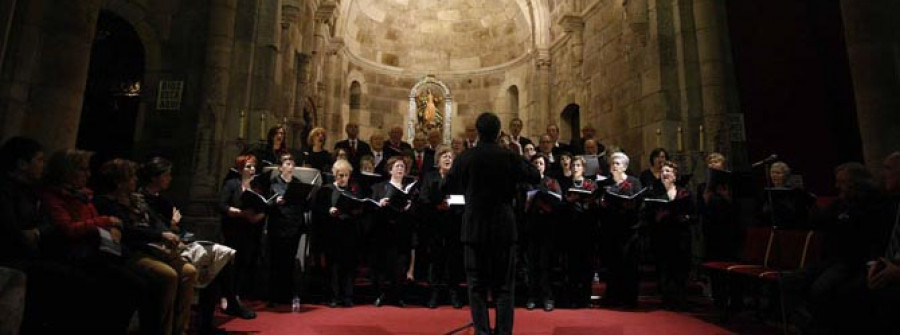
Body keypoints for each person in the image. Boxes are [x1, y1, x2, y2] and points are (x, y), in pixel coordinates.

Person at [445, 112, 540, 335]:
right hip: (503, 228)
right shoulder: (507, 156)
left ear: (477, 132)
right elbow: (535, 175)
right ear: (499, 132)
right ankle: (504, 332)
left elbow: (446, 188)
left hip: (474, 228)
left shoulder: (466, 157)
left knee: (476, 286)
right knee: (504, 287)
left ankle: (482, 331)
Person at [41, 149, 145, 333]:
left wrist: (112, 227)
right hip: (72, 253)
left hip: (93, 251)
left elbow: (98, 220)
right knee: (123, 286)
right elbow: (69, 229)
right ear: (67, 171)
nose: (88, 174)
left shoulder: (84, 195)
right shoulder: (53, 196)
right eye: (82, 169)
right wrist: (106, 222)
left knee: (134, 284)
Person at [93, 158, 198, 335]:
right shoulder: (107, 203)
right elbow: (128, 230)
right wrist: (160, 235)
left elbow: (155, 222)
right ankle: (161, 330)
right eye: (131, 177)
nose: (135, 180)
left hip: (152, 246)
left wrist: (168, 233)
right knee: (169, 275)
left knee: (189, 271)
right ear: (119, 182)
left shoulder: (137, 199)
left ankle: (180, 329)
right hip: (133, 250)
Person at [643, 161, 695, 310]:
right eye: (662, 171)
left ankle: (681, 299)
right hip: (662, 236)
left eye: (668, 171)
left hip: (681, 236)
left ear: (675, 176)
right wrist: (656, 217)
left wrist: (685, 218)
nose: (664, 173)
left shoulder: (684, 193)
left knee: (680, 268)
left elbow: (694, 215)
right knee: (664, 268)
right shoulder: (654, 193)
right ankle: (666, 300)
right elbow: (646, 215)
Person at [417, 146, 465, 309]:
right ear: (438, 160)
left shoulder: (458, 178)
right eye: (444, 156)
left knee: (453, 260)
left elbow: (464, 198)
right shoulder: (430, 177)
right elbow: (423, 198)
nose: (447, 159)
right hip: (434, 224)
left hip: (453, 224)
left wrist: (449, 203)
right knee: (435, 260)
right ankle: (434, 293)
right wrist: (436, 205)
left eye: (450, 157)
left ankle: (454, 293)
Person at [217, 154, 263, 317]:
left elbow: (263, 207)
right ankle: (225, 296)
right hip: (233, 228)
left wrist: (258, 216)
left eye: (253, 166)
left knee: (244, 263)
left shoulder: (256, 186)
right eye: (248, 166)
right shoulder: (232, 184)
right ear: (240, 169)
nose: (252, 169)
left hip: (250, 229)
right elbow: (222, 204)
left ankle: (235, 296)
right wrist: (235, 212)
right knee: (230, 264)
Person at [598, 151, 645, 308]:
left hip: (630, 230)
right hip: (611, 229)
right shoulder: (606, 183)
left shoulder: (634, 182)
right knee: (613, 265)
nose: (614, 166)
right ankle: (613, 297)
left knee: (629, 265)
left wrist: (631, 205)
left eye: (618, 163)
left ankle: (629, 299)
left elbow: (639, 202)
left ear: (625, 166)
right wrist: (602, 204)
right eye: (612, 163)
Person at [313, 159, 362, 307]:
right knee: (332, 266)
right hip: (331, 233)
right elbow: (317, 210)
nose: (343, 178)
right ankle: (333, 297)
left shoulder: (354, 190)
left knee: (348, 266)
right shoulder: (326, 190)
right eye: (340, 175)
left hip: (349, 233)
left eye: (346, 175)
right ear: (334, 174)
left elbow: (360, 209)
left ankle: (348, 296)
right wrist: (329, 210)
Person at [371, 156, 418, 307]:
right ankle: (381, 294)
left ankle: (398, 296)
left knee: (400, 265)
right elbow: (371, 207)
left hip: (402, 231)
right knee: (383, 264)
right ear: (390, 169)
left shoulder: (410, 189)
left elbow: (418, 211)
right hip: (384, 231)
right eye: (397, 166)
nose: (400, 169)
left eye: (402, 167)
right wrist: (380, 203)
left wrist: (409, 207)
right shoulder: (379, 187)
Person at [266, 153, 307, 307]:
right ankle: (274, 296)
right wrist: (275, 201)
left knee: (289, 262)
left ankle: (286, 295)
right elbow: (266, 204)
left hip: (293, 226)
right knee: (276, 261)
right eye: (287, 163)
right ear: (280, 167)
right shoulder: (273, 183)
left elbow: (302, 205)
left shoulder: (298, 183)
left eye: (292, 163)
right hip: (278, 226)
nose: (290, 166)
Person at [523, 154, 561, 311]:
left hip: (547, 227)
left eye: (541, 163)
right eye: (535, 163)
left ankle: (548, 297)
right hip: (530, 227)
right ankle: (532, 296)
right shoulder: (525, 183)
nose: (538, 165)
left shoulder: (551, 182)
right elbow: (520, 206)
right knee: (531, 265)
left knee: (545, 264)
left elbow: (559, 201)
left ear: (545, 165)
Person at [562, 155, 599, 308]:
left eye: (578, 165)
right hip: (570, 230)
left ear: (583, 168)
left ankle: (586, 298)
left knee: (587, 265)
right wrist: (568, 202)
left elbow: (596, 204)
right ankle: (573, 298)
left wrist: (589, 203)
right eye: (573, 166)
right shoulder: (565, 184)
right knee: (572, 266)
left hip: (587, 229)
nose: (575, 168)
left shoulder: (590, 184)